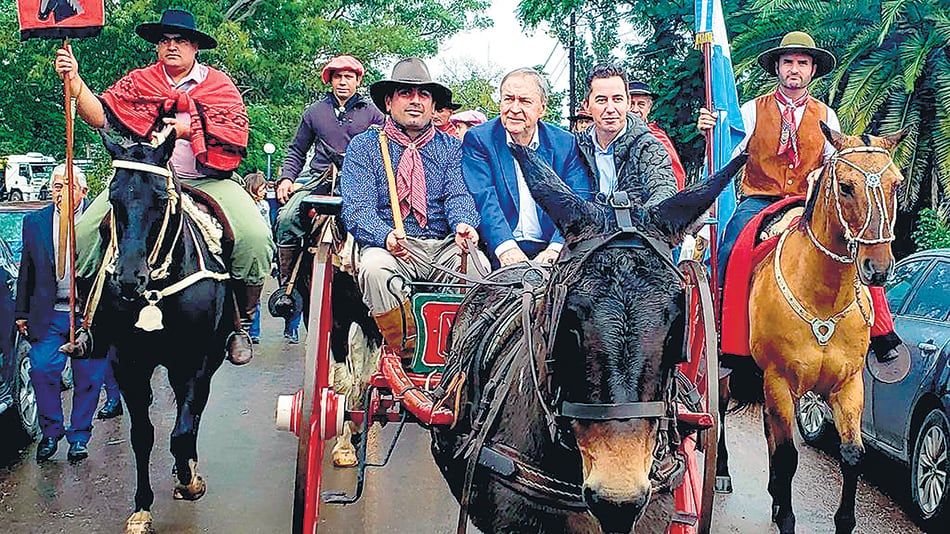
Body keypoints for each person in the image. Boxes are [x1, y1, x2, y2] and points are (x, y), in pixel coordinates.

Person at [54, 8, 274, 366]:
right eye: (165, 40)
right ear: (158, 47)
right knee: (83, 233)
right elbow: (101, 117)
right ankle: (89, 322)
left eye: (181, 40)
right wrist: (75, 83)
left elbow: (236, 133)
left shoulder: (219, 85)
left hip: (206, 179)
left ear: (195, 47)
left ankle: (240, 325)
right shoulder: (139, 82)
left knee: (255, 238)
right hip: (144, 181)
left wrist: (189, 128)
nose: (172, 46)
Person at [697, 30, 901, 362]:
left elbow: (837, 168)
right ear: (777, 68)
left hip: (806, 202)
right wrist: (713, 130)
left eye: (802, 63)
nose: (795, 68)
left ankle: (881, 331)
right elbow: (725, 153)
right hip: (759, 200)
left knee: (863, 240)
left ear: (811, 71)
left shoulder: (827, 116)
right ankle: (724, 334)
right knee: (730, 247)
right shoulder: (751, 111)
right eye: (788, 62)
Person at [341, 57, 486, 356]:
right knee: (373, 268)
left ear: (433, 106)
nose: (415, 101)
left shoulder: (452, 148)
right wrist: (385, 236)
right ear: (389, 102)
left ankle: (459, 350)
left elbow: (459, 196)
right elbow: (358, 209)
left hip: (443, 246)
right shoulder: (364, 147)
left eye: (423, 95)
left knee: (479, 268)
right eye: (406, 93)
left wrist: (464, 224)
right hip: (394, 248)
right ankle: (407, 350)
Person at [272, 55, 383, 342]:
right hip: (319, 180)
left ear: (358, 81)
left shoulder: (373, 114)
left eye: (349, 77)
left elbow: (386, 149)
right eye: (337, 77)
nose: (343, 82)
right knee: (285, 218)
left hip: (362, 182)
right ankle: (289, 288)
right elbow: (297, 149)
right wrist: (286, 178)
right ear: (330, 81)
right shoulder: (314, 112)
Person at [16, 164, 107, 462]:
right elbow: (25, 271)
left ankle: (79, 437)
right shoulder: (35, 222)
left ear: (83, 191)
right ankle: (51, 431)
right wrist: (21, 312)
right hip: (49, 312)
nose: (62, 191)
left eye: (69, 185)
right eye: (57, 186)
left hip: (88, 314)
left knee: (89, 377)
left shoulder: (101, 221)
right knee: (42, 369)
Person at [462, 67, 591, 266]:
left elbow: (577, 201)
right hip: (498, 249)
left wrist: (556, 249)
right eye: (508, 99)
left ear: (542, 108)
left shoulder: (565, 144)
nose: (514, 108)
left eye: (524, 101)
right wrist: (506, 248)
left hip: (553, 249)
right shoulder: (480, 140)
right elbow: (484, 198)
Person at [575, 63, 677, 205]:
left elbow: (664, 190)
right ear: (586, 105)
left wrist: (644, 221)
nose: (610, 108)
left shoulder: (648, 146)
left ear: (627, 102)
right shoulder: (574, 147)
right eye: (601, 100)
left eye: (617, 99)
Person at [628, 80, 687, 190]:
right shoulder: (613, 135)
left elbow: (677, 175)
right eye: (631, 104)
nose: (635, 109)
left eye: (641, 104)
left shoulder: (656, 136)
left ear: (649, 108)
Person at [243, 172, 269, 344]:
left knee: (255, 292)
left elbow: (267, 229)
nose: (265, 191)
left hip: (258, 252)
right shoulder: (243, 205)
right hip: (245, 251)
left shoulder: (264, 206)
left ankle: (254, 331)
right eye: (262, 187)